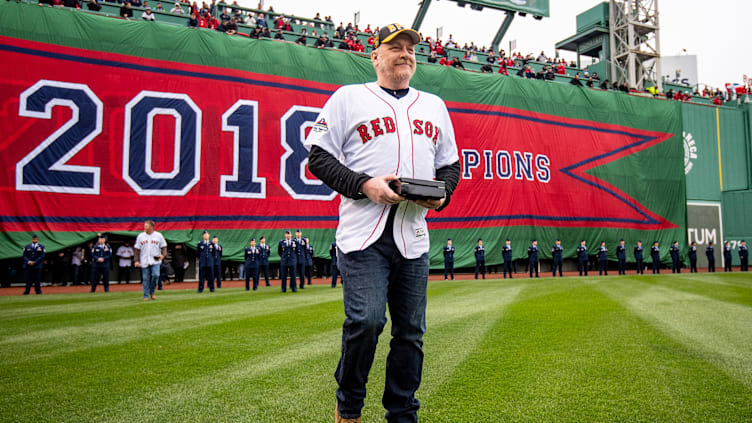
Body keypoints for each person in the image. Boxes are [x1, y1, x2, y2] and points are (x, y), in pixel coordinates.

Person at [304, 23, 460, 423]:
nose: (405, 53)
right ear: (375, 56)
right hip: (363, 234)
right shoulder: (348, 98)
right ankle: (350, 406)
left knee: (410, 333)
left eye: (410, 48)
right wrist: (363, 184)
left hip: (414, 234)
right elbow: (318, 157)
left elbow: (450, 166)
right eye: (395, 47)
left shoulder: (434, 105)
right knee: (366, 321)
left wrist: (442, 193)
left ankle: (402, 413)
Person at [134, 220, 167, 301]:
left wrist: (163, 255)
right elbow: (137, 249)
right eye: (144, 226)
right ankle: (146, 295)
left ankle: (152, 291)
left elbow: (164, 246)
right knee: (145, 278)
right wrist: (136, 260)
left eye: (146, 226)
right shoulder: (141, 236)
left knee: (156, 275)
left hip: (155, 260)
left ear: (151, 227)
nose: (145, 227)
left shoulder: (158, 235)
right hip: (144, 260)